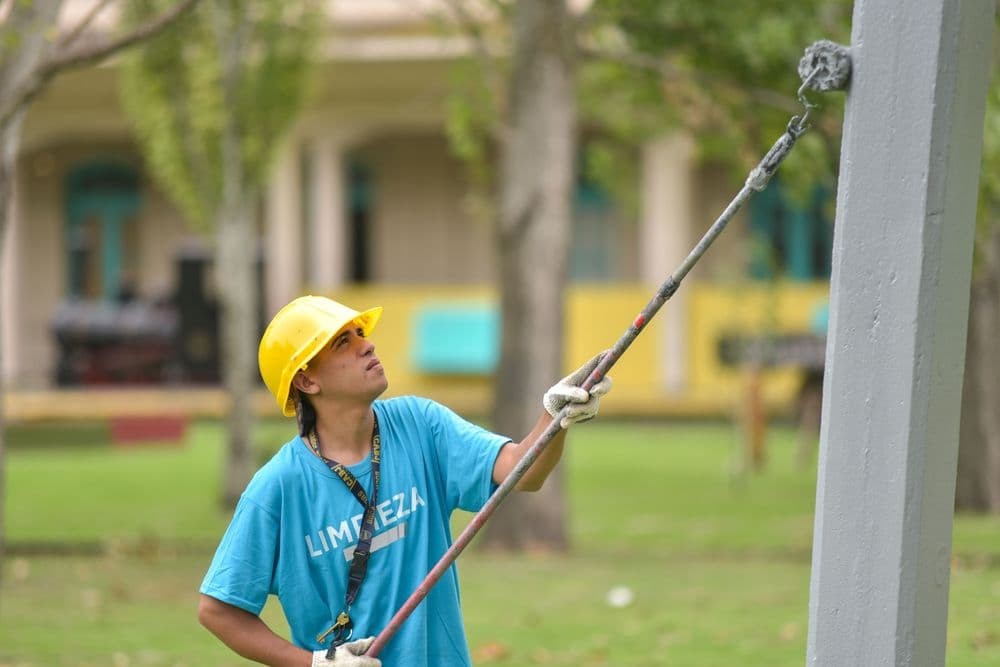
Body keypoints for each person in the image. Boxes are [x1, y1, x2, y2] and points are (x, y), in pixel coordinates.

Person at [198, 295, 612, 667]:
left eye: (361, 334)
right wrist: (314, 665)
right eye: (343, 342)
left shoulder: (419, 425)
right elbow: (218, 610)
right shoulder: (278, 487)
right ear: (307, 381)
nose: (367, 345)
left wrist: (555, 416)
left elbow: (522, 471)